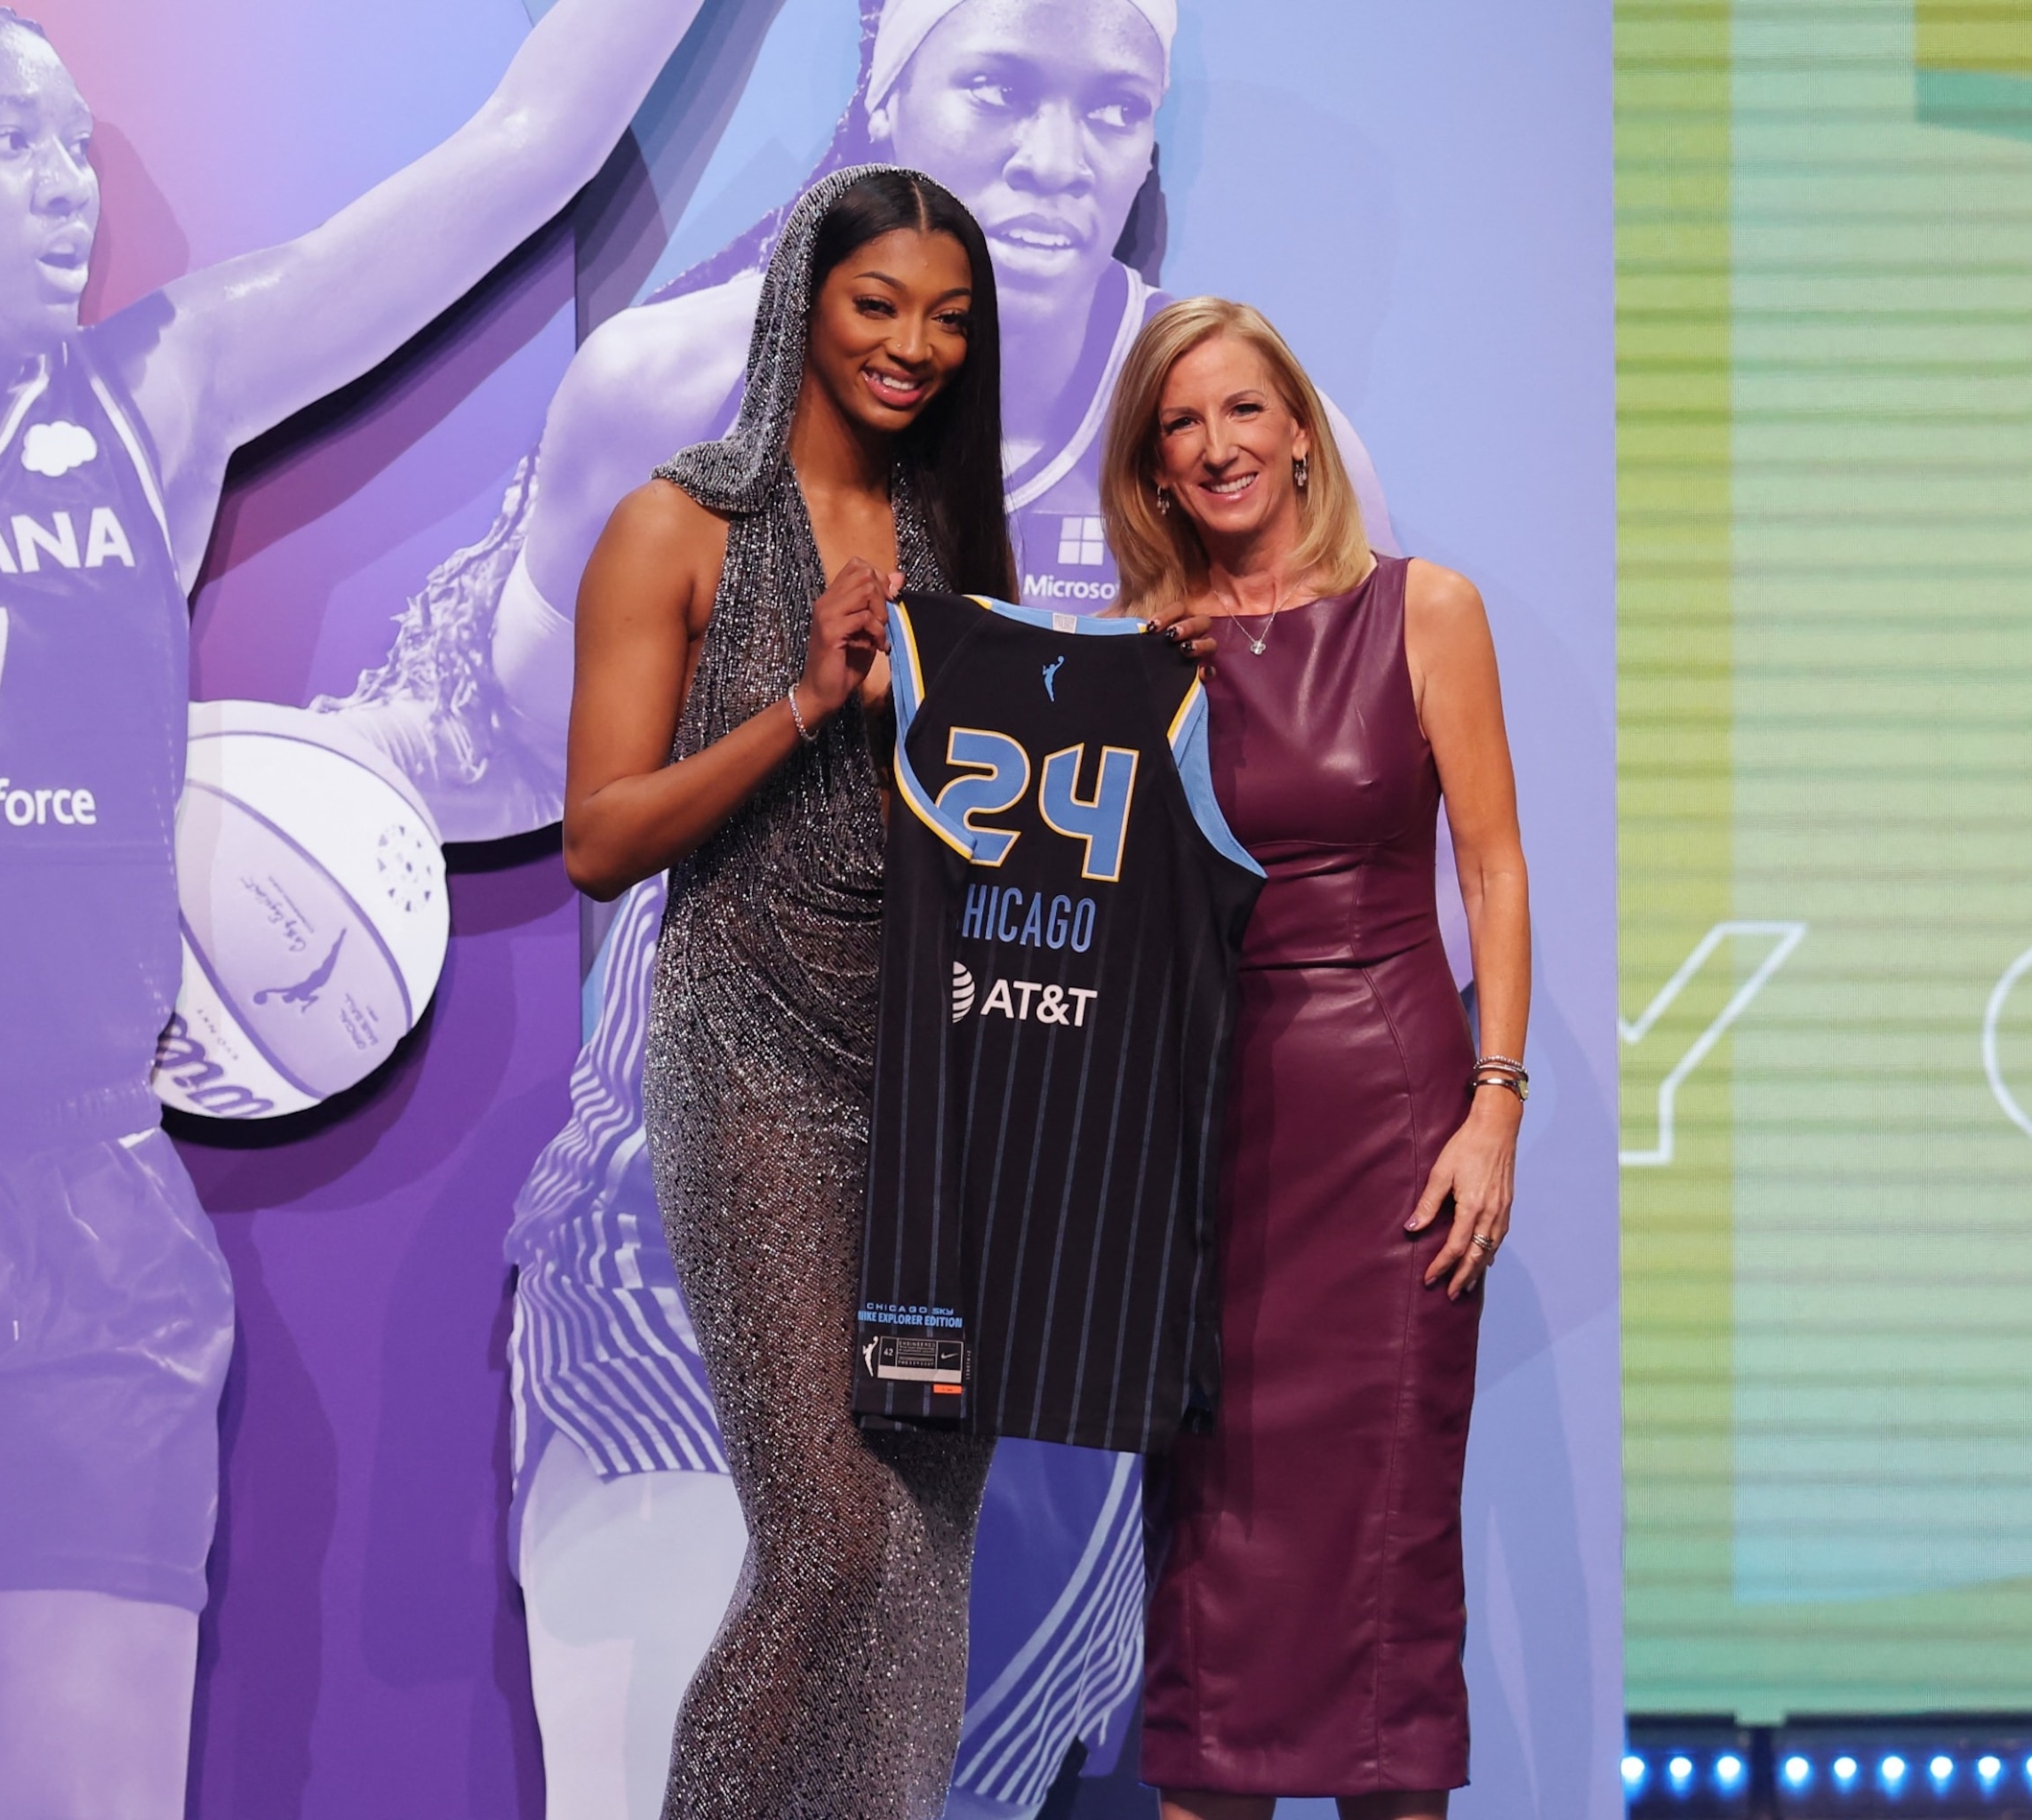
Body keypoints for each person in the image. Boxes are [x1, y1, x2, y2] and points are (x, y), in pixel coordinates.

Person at [328, 3, 1386, 1812]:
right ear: (885, 94)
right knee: (661, 1758)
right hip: (699, 1212)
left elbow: (1324, 861)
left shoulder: (1235, 447)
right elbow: (531, 753)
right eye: (1002, 87)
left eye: (1110, 104)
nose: (1058, 150)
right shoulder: (674, 395)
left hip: (1043, 1285)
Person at [0, 1, 702, 1815]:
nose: (68, 184)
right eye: (6, 142)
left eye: (77, 144)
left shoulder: (157, 394)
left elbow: (525, 150)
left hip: (81, 1202)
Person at [559, 163, 1014, 1820]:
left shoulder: (958, 542)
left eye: (951, 320)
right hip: (748, 1049)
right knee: (828, 1532)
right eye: (879, 304)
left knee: (926, 1543)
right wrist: (807, 702)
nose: (915, 346)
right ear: (801, 304)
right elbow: (600, 842)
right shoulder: (679, 523)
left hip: (940, 1083)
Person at [1106, 299, 1530, 1820]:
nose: (1216, 445)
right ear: (1153, 471)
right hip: (1211, 1142)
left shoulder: (1428, 609)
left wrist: (1496, 1107)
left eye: (1241, 411)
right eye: (1180, 425)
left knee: (1387, 1557)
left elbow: (1491, 871)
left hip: (1396, 1117)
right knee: (1210, 1561)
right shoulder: (1137, 664)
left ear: (1299, 432)